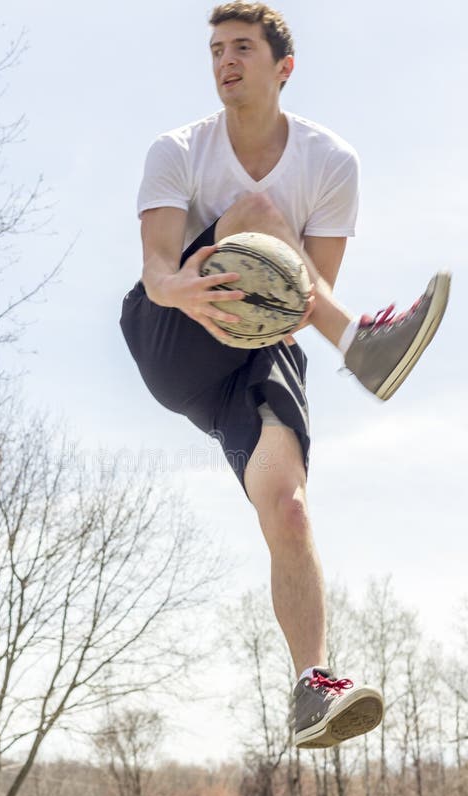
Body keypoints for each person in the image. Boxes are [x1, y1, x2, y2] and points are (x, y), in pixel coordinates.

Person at [119, 1, 450, 749]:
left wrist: (289, 314)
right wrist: (183, 291)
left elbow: (304, 298)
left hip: (260, 349)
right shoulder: (177, 150)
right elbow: (155, 270)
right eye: (215, 50)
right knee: (258, 212)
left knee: (290, 509)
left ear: (282, 67)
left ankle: (311, 686)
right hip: (173, 337)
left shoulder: (331, 162)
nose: (225, 61)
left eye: (241, 48)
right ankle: (362, 345)